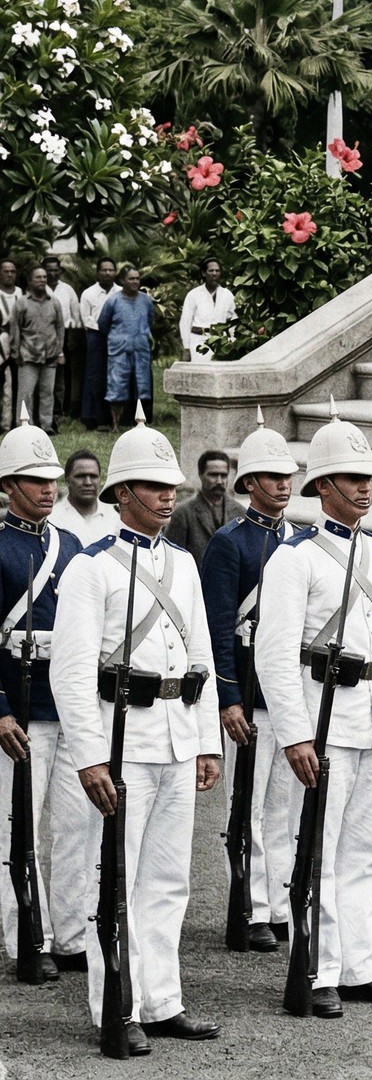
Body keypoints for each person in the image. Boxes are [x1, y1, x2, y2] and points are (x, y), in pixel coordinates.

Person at [50, 412, 222, 1046]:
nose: (166, 496)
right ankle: (116, 1006)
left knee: (169, 879)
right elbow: (70, 674)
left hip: (176, 736)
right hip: (120, 740)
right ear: (122, 493)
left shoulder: (183, 564)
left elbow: (201, 659)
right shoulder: (90, 568)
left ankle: (162, 1000)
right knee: (115, 879)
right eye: (152, 486)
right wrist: (90, 758)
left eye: (169, 486)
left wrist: (206, 742)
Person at [254, 412, 372, 1014]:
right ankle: (319, 971)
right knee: (317, 849)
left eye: (368, 477)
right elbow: (274, 656)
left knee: (368, 850)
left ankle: (359, 966)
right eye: (352, 478)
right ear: (322, 486)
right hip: (323, 720)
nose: (365, 487)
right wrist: (295, 735)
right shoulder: (293, 557)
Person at [200, 416, 300, 950]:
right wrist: (228, 697)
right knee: (249, 805)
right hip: (249, 692)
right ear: (249, 483)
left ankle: (280, 903)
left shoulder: (302, 542)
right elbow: (217, 628)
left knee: (285, 805)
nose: (283, 484)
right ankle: (251, 907)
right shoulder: (229, 543)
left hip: (289, 694)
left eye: (287, 476)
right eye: (272, 476)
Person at [0, 412, 87, 977]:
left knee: (78, 825)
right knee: (18, 828)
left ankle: (73, 935)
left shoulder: (71, 543)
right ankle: (28, 936)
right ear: (9, 485)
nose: (48, 488)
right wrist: (0, 710)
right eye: (35, 479)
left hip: (69, 703)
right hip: (20, 706)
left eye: (51, 478)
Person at [10, 266, 66, 434]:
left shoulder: (54, 302)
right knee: (26, 393)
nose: (42, 280)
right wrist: (16, 352)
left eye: (44, 277)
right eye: (38, 277)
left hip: (50, 355)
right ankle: (24, 427)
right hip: (28, 355)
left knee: (47, 393)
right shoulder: (22, 303)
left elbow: (60, 327)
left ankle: (46, 426)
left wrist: (58, 349)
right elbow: (15, 328)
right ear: (29, 281)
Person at [99, 267, 156, 431]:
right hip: (119, 350)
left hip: (141, 348)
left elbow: (150, 320)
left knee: (142, 386)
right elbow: (103, 323)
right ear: (123, 280)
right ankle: (115, 424)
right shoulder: (113, 300)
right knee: (116, 386)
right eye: (131, 279)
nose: (135, 282)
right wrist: (119, 337)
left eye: (137, 278)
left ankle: (140, 423)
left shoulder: (145, 300)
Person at [165, 450, 233, 565]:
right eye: (213, 475)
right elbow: (172, 559)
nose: (219, 481)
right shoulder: (183, 514)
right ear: (201, 475)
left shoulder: (240, 513)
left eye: (224, 475)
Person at [78, 257, 119, 431]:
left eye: (111, 270)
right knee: (95, 376)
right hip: (96, 336)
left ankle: (114, 418)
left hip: (117, 337)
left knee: (115, 376)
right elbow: (85, 318)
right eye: (104, 270)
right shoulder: (88, 293)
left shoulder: (121, 292)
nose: (107, 273)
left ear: (115, 272)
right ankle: (93, 418)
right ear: (97, 273)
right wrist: (102, 328)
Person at [43, 253, 81, 429]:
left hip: (63, 334)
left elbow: (76, 315)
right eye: (48, 270)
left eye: (55, 270)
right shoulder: (38, 288)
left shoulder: (67, 290)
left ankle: (60, 412)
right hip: (41, 335)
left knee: (62, 376)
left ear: (61, 272)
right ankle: (44, 411)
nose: (52, 274)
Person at [53, 447, 118, 547]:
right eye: (80, 476)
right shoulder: (52, 518)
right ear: (67, 480)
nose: (88, 482)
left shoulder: (115, 517)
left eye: (93, 476)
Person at [179, 258, 237, 363]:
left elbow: (233, 320)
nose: (214, 274)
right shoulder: (194, 295)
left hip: (220, 342)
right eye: (211, 271)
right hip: (198, 341)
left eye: (217, 271)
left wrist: (233, 341)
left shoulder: (227, 295)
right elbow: (185, 322)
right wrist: (186, 348)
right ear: (204, 273)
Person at [0, 259, 21, 431]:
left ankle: (11, 423)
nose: (9, 274)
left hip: (18, 345)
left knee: (15, 385)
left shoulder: (21, 293)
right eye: (5, 271)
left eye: (12, 271)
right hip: (1, 345)